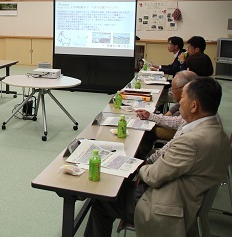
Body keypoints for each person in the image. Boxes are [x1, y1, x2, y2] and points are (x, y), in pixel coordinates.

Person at [84, 77, 230, 237]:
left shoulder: (192, 141)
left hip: (168, 204)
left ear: (194, 106)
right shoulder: (217, 130)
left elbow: (153, 177)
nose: (179, 102)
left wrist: (139, 167)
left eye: (183, 98)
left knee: (102, 199)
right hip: (186, 195)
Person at [134, 70, 197, 160]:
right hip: (164, 154)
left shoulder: (191, 128)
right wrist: (150, 116)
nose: (171, 91)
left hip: (161, 160)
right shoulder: (191, 109)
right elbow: (177, 120)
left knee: (148, 131)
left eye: (173, 88)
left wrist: (148, 161)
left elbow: (171, 146)